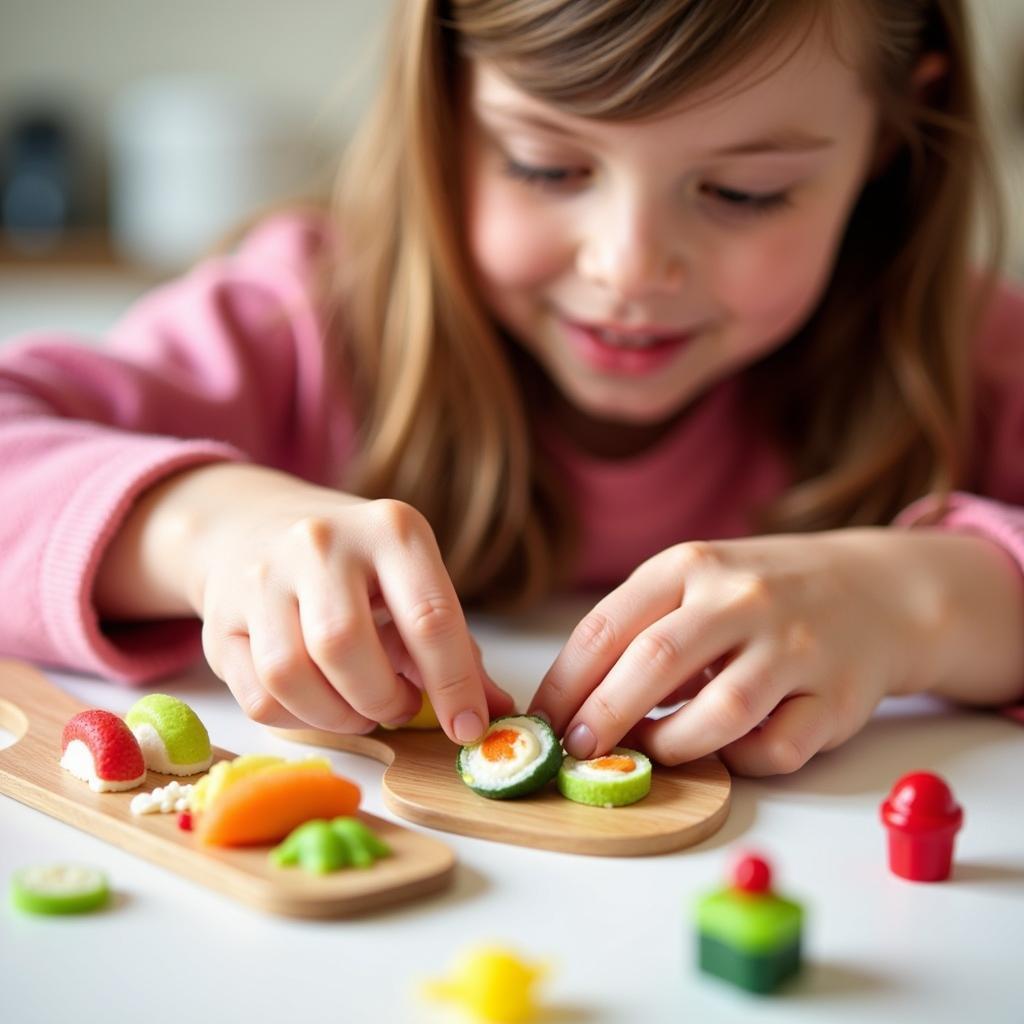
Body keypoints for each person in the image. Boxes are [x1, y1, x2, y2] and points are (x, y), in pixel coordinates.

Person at [1, 0, 1022, 777]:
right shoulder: (294, 322)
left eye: (740, 192)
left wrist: (923, 604)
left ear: (891, 135)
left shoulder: (969, 359)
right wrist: (204, 534)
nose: (628, 266)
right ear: (445, 108)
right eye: (544, 167)